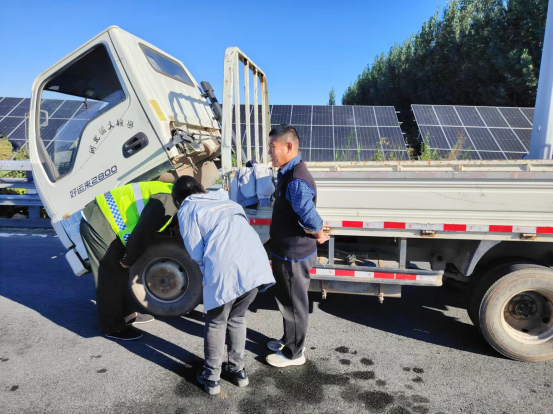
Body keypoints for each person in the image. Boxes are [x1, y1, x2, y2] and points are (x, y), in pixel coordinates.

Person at [172, 176, 275, 396]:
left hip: (225, 267)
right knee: (237, 318)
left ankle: (211, 378)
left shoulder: (188, 210)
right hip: (255, 265)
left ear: (179, 199)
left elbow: (195, 251)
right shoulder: (228, 201)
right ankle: (238, 371)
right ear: (201, 189)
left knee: (216, 323)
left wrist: (207, 275)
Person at [80, 181, 178, 341]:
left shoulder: (172, 193)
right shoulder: (165, 203)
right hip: (97, 221)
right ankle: (112, 327)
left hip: (107, 219)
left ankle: (127, 315)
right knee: (110, 274)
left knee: (121, 273)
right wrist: (128, 259)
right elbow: (142, 233)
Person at [265, 125, 330, 368]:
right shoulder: (288, 173)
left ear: (288, 147)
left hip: (293, 254)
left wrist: (319, 232)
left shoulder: (295, 180)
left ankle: (294, 353)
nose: (270, 153)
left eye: (273, 147)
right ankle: (288, 339)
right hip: (287, 251)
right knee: (287, 299)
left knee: (294, 302)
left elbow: (310, 218)